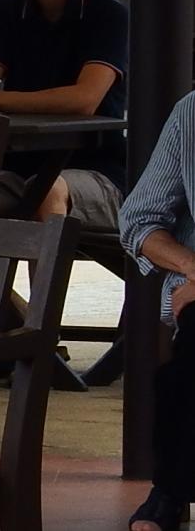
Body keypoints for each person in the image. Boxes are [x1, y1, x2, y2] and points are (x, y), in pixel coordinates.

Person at [0, 0, 129, 231]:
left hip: (98, 171)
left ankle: (46, 286)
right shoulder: (5, 10)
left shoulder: (106, 14)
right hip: (14, 166)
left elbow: (84, 100)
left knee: (46, 190)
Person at [119, 89, 195, 531]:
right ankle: (171, 488)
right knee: (187, 366)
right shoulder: (190, 112)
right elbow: (139, 218)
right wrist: (190, 265)